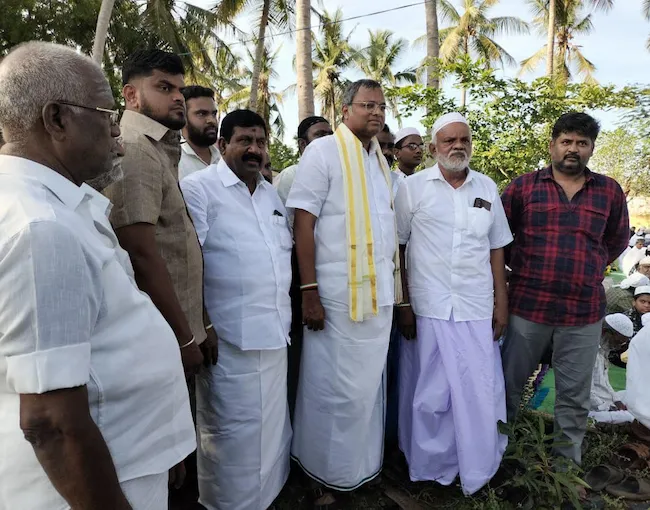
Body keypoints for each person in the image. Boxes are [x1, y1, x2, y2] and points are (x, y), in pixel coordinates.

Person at [0, 41, 195, 510]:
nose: (116, 128)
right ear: (57, 119)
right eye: (105, 112)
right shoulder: (41, 228)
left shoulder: (61, 206)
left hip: (122, 456)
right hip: (95, 483)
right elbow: (50, 421)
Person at [287, 79, 401, 504]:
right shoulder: (323, 152)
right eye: (368, 105)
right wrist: (309, 291)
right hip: (336, 297)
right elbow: (304, 221)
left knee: (365, 390)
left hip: (377, 298)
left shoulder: (379, 161)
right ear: (346, 109)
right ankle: (320, 470)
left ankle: (358, 466)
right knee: (330, 387)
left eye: (381, 106)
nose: (376, 113)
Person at [501, 112, 630, 476]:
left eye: (582, 143)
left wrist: (588, 266)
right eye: (567, 141)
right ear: (553, 144)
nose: (573, 149)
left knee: (573, 397)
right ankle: (501, 457)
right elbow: (499, 239)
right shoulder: (523, 187)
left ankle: (563, 473)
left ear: (591, 148)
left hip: (582, 312)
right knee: (508, 388)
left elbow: (617, 239)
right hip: (527, 306)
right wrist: (526, 267)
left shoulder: (608, 190)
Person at [395, 112, 513, 495]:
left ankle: (477, 466)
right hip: (428, 307)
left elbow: (496, 249)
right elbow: (397, 249)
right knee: (430, 394)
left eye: (464, 139)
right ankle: (430, 469)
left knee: (479, 390)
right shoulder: (412, 188)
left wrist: (501, 303)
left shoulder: (487, 187)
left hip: (476, 306)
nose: (457, 146)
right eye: (448, 141)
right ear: (433, 148)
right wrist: (404, 304)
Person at [181, 110, 292, 510]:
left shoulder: (270, 192)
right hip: (228, 338)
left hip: (275, 332)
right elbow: (191, 261)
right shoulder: (199, 188)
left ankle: (266, 498)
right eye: (245, 140)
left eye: (260, 142)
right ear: (222, 144)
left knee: (270, 428)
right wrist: (203, 323)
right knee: (230, 431)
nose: (254, 149)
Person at [103, 49, 217, 378]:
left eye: (180, 89)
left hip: (178, 330)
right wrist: (184, 340)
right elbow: (140, 253)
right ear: (131, 95)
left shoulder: (159, 147)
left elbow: (177, 248)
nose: (178, 97)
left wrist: (202, 322)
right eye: (164, 88)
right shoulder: (136, 148)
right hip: (161, 339)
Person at [273, 116, 332, 205]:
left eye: (331, 135)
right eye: (320, 135)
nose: (328, 139)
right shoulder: (290, 176)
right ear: (303, 144)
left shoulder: (338, 174)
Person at [590, 314, 634, 418]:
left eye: (621, 344)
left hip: (606, 402)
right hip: (592, 409)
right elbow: (585, 391)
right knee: (630, 417)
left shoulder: (603, 350)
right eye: (617, 342)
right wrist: (608, 408)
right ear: (605, 332)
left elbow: (604, 383)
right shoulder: (589, 352)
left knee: (632, 395)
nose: (617, 347)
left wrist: (617, 400)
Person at [179, 85, 220, 181]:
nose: (212, 120)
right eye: (202, 114)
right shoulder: (174, 160)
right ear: (183, 117)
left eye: (213, 114)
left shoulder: (223, 160)